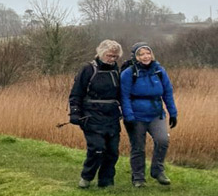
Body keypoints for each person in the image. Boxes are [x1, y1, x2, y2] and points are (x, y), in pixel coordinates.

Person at [121, 42, 177, 187]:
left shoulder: (159, 70)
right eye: (141, 54)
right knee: (138, 147)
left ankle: (157, 171)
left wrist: (173, 113)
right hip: (136, 115)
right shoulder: (129, 73)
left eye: (148, 53)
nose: (146, 56)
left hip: (156, 114)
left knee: (163, 140)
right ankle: (138, 178)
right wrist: (129, 116)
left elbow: (168, 92)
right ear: (136, 57)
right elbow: (124, 96)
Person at [69, 40, 123, 188]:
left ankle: (106, 182)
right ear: (101, 53)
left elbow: (121, 95)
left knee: (112, 152)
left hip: (111, 116)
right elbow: (76, 93)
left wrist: (126, 111)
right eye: (109, 55)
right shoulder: (88, 69)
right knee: (97, 149)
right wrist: (74, 112)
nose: (112, 59)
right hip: (91, 115)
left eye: (115, 57)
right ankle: (87, 177)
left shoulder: (116, 71)